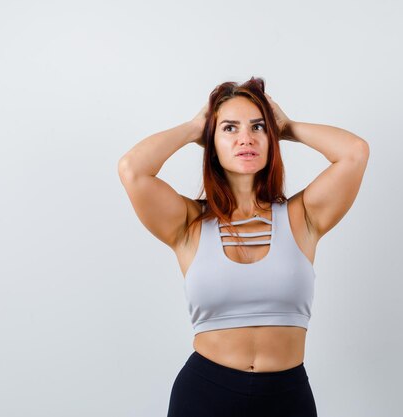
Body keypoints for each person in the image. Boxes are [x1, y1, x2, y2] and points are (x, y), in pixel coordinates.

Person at [118, 76, 369, 417]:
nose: (246, 138)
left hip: (287, 398)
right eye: (230, 129)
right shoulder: (188, 223)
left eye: (258, 127)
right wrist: (195, 127)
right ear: (212, 141)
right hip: (205, 394)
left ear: (271, 138)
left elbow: (354, 153)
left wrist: (289, 126)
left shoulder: (302, 216)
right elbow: (133, 170)